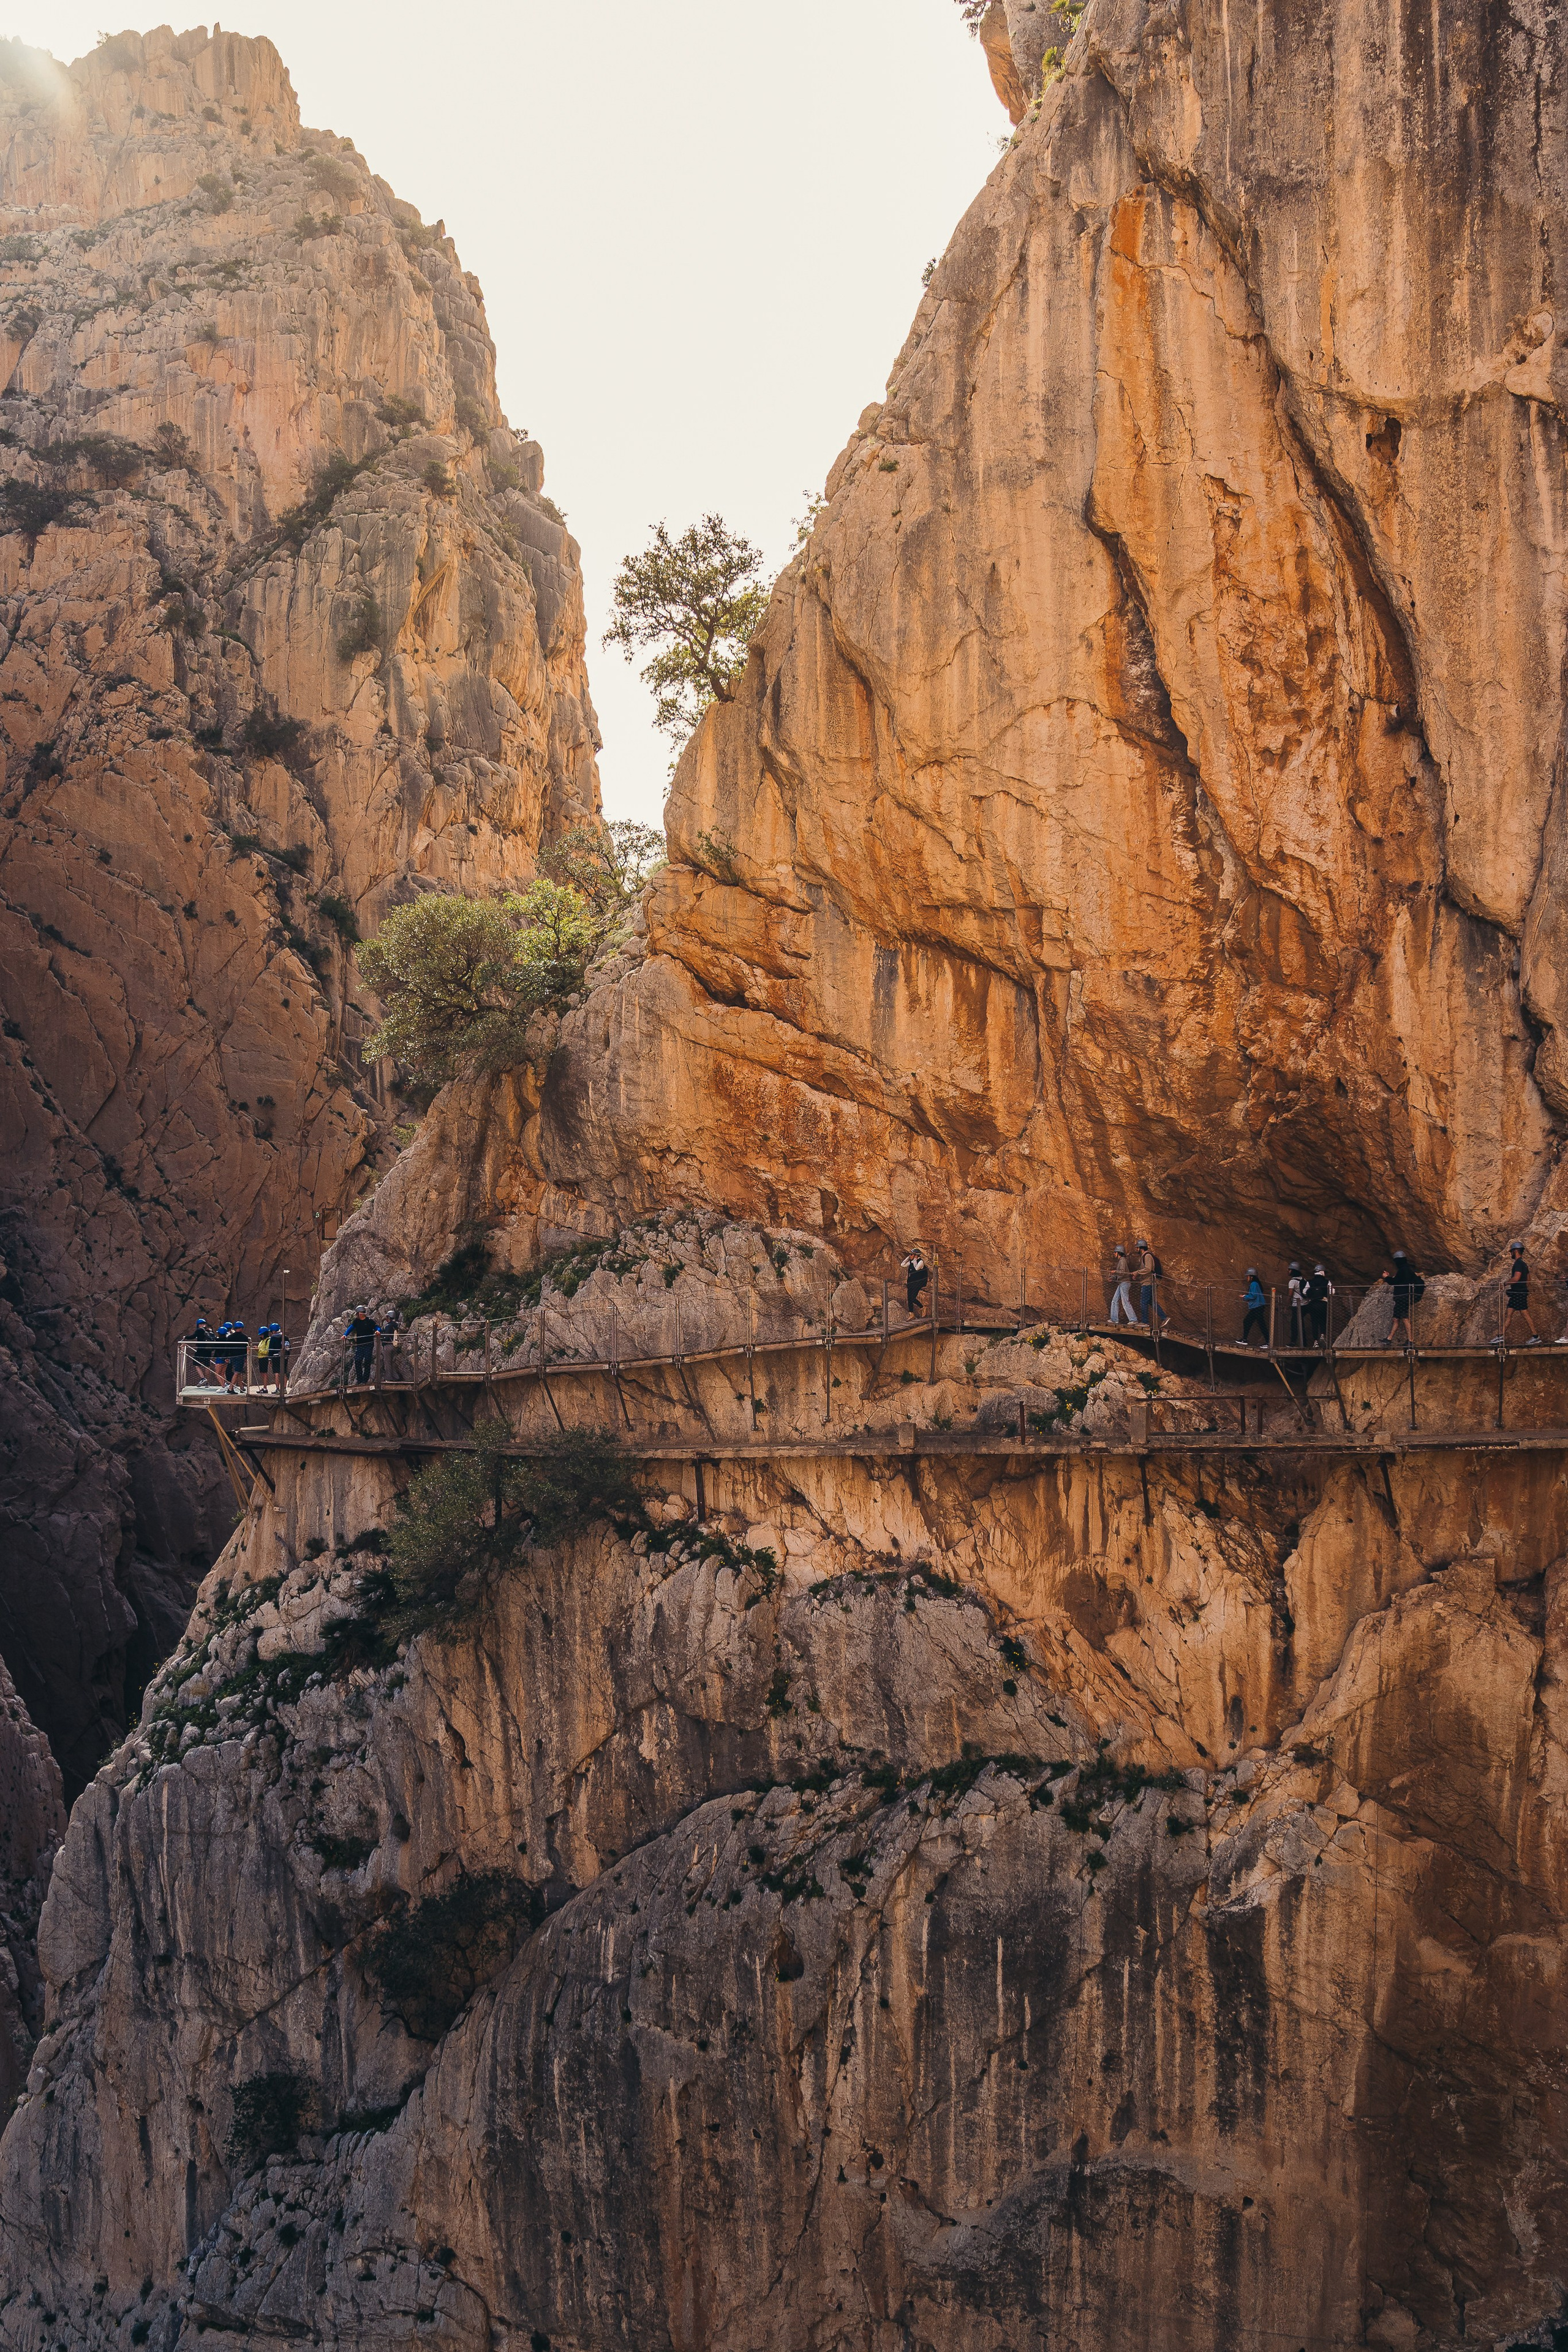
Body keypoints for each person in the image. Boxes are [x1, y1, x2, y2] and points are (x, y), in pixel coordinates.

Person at [1502, 1242, 1540, 1345]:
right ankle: (1500, 1336)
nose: (1511, 1254)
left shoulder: (1518, 1264)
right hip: (1518, 1293)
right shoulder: (1524, 1264)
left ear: (1515, 1251)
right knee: (1509, 1314)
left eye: (1511, 1252)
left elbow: (1516, 1278)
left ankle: (1536, 1336)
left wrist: (1505, 1284)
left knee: (1524, 1314)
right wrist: (1523, 1289)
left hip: (1518, 1293)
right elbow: (1528, 1279)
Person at [1389, 1250, 1423, 1348]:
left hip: (1403, 1298)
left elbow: (1394, 1282)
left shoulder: (1404, 1270)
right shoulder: (1406, 1270)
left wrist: (1387, 1277)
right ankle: (1389, 1339)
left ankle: (1411, 1341)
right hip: (1401, 1299)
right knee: (1396, 1319)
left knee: (1405, 1319)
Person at [1134, 1238, 1168, 1330]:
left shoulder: (1147, 1256)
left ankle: (1145, 1322)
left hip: (1149, 1282)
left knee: (1143, 1302)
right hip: (1149, 1281)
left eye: (1137, 1248)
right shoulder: (1145, 1256)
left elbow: (1148, 1269)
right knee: (1151, 1302)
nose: (1136, 1250)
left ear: (1141, 1248)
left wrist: (1137, 1272)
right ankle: (1164, 1317)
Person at [345, 1305, 379, 1385]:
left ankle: (365, 1380)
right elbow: (351, 1328)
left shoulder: (370, 1321)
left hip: (369, 1344)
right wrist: (345, 1335)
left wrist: (378, 1331)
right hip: (360, 1345)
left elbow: (377, 1327)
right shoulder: (357, 1321)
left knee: (367, 1361)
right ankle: (359, 1380)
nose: (357, 1315)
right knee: (357, 1361)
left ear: (360, 1314)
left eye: (357, 1314)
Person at [184, 1314, 219, 1388]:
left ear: (198, 1325)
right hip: (208, 1351)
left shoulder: (199, 1330)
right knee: (207, 1366)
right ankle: (207, 1383)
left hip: (201, 1351)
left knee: (196, 1364)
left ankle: (203, 1378)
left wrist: (186, 1337)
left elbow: (192, 1337)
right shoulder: (209, 1331)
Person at [1304, 1263, 1332, 1349]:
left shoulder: (1310, 1282)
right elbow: (1332, 1292)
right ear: (1322, 1272)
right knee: (1323, 1320)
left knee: (1314, 1322)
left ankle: (1315, 1342)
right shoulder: (1327, 1282)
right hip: (1323, 1303)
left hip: (1313, 1304)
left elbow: (1305, 1292)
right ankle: (1323, 1335)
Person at [1240, 1268, 1268, 1348]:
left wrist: (1245, 1296)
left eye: (1248, 1276)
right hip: (1258, 1307)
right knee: (1249, 1321)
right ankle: (1244, 1339)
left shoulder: (1254, 1284)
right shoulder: (1256, 1284)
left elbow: (1253, 1295)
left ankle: (1268, 1342)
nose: (1247, 1278)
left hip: (1257, 1307)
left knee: (1258, 1323)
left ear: (1251, 1277)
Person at [1109, 1245, 1137, 1326]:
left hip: (1125, 1283)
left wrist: (1115, 1272)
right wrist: (1113, 1278)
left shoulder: (1123, 1260)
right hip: (1122, 1283)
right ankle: (1114, 1319)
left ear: (1119, 1253)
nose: (1114, 1254)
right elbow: (1120, 1273)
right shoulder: (1120, 1261)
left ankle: (1133, 1319)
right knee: (1114, 1300)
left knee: (1125, 1302)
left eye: (1115, 1252)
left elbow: (1122, 1272)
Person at [901, 1251, 930, 1317]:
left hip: (917, 1283)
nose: (910, 1255)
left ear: (916, 1255)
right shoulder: (911, 1262)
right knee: (909, 1299)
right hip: (910, 1283)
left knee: (913, 1298)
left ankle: (922, 1307)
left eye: (911, 1254)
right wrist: (909, 1258)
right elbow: (903, 1265)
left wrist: (915, 1259)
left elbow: (916, 1268)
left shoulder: (921, 1262)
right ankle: (911, 1314)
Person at [1286, 1262, 1306, 1348]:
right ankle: (1304, 1343)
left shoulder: (1293, 1281)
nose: (1288, 1271)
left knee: (1294, 1324)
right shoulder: (1303, 1280)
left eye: (1289, 1269)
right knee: (1301, 1324)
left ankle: (1293, 1342)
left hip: (1297, 1305)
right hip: (1305, 1304)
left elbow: (1290, 1295)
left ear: (1293, 1271)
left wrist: (1287, 1305)